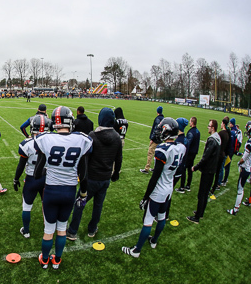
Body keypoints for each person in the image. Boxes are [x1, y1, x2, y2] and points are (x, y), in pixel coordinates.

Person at [33, 106, 93, 269]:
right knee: (61, 229)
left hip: (51, 191)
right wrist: (83, 193)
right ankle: (57, 260)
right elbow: (84, 173)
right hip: (69, 191)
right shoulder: (82, 139)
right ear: (70, 121)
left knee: (48, 230)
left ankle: (45, 260)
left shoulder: (45, 139)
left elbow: (37, 173)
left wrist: (50, 170)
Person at [122, 118, 185, 257]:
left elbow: (155, 176)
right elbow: (178, 171)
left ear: (167, 131)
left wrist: (145, 197)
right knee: (161, 217)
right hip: (169, 188)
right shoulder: (181, 147)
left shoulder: (163, 149)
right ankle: (154, 241)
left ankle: (136, 250)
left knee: (148, 220)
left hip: (159, 190)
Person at [67, 108, 122, 241]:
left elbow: (85, 159)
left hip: (91, 178)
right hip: (105, 177)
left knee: (79, 203)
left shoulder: (92, 135)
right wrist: (115, 174)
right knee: (98, 205)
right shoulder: (116, 137)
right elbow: (118, 158)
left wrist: (81, 175)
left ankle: (73, 231)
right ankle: (92, 229)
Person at [14, 114, 51, 238]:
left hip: (31, 178)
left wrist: (15, 179)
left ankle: (26, 231)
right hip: (47, 178)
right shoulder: (53, 141)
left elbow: (20, 165)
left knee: (27, 206)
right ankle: (48, 228)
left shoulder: (27, 143)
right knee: (46, 204)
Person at [186, 119, 221, 224]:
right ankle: (200, 212)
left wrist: (195, 167)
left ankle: (196, 217)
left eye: (209, 125)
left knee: (202, 193)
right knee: (205, 193)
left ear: (213, 128)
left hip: (207, 170)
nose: (207, 127)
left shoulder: (212, 140)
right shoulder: (218, 138)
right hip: (212, 169)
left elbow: (206, 157)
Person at [227, 121, 251, 214]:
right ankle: (249, 201)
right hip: (249, 167)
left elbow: (244, 158)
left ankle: (235, 209)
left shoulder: (249, 143)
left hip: (246, 168)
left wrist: (239, 162)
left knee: (240, 188)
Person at [177, 117, 200, 193]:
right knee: (190, 169)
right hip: (194, 153)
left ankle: (182, 187)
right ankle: (188, 185)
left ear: (192, 122)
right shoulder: (197, 131)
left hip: (189, 153)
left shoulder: (190, 132)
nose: (189, 123)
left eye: (190, 122)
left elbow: (188, 144)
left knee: (184, 168)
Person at [140, 106, 164, 174]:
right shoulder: (163, 119)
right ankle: (155, 167)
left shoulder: (157, 119)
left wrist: (152, 139)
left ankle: (147, 169)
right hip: (160, 139)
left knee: (150, 153)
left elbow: (156, 130)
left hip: (156, 139)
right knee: (158, 154)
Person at [211, 117, 230, 194]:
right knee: (219, 170)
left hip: (219, 154)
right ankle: (216, 185)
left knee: (214, 171)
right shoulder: (227, 133)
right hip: (223, 154)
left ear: (223, 124)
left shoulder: (221, 133)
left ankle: (213, 186)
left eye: (221, 123)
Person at [222, 118, 241, 186]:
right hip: (232, 151)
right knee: (227, 165)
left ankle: (225, 180)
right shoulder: (235, 131)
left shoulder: (232, 132)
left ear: (231, 124)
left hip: (230, 151)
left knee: (227, 165)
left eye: (230, 123)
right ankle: (225, 179)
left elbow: (230, 143)